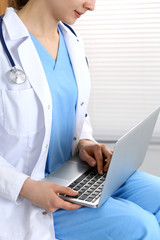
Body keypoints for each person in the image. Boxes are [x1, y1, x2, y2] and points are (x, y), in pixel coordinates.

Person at [0, 0, 160, 239]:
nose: (91, 5)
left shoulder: (71, 40)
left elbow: (75, 113)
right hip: (30, 196)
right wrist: (27, 188)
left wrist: (85, 142)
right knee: (142, 227)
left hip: (77, 173)